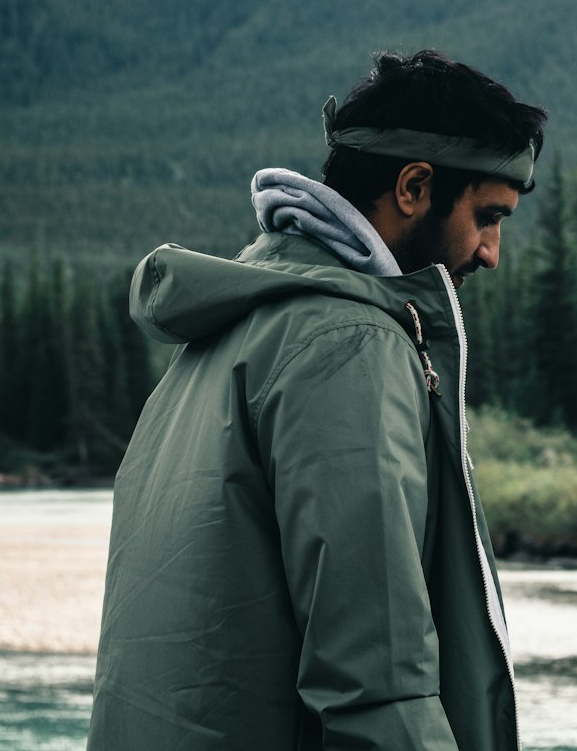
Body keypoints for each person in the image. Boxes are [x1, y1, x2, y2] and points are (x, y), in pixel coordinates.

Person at [87, 49, 547, 751]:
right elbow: (376, 677)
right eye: (487, 216)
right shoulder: (347, 344)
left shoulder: (228, 331)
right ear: (414, 187)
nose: (491, 251)